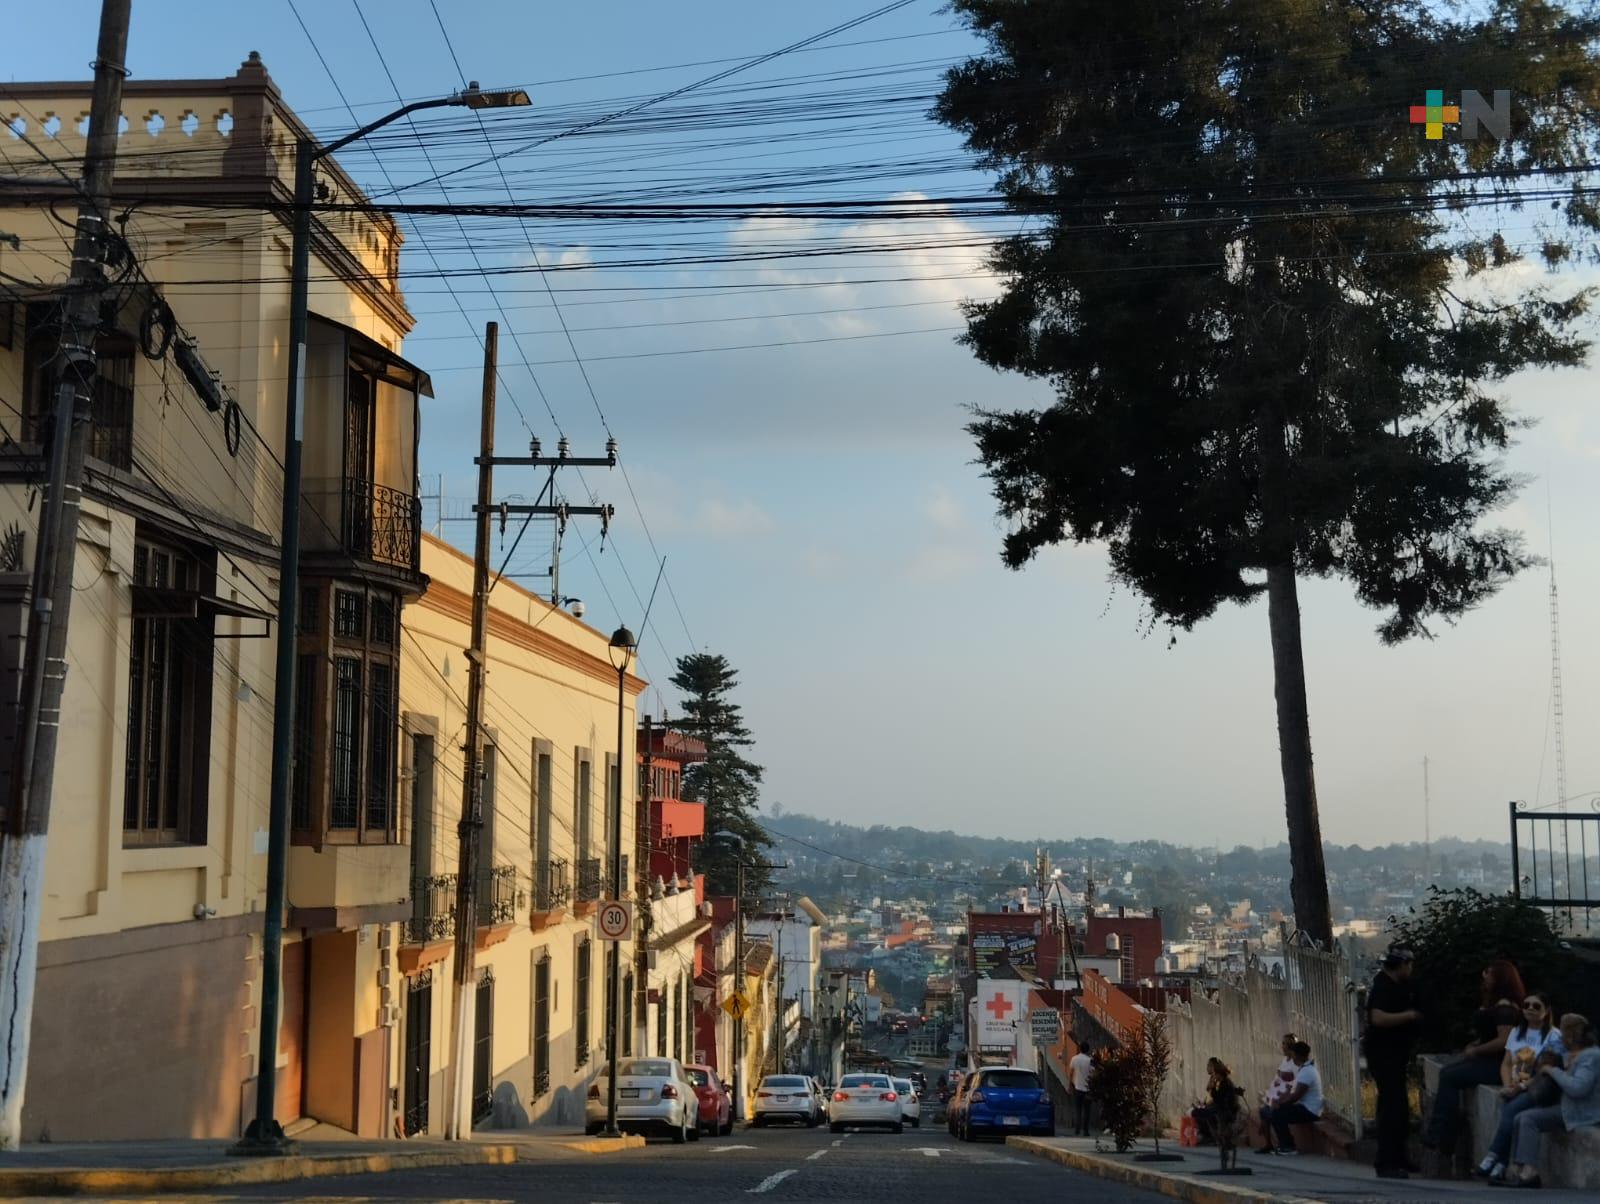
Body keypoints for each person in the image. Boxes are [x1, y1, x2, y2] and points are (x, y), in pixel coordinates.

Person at [1422, 959, 1525, 1149]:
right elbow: (1489, 1034)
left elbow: (1503, 1040)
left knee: (1450, 1076)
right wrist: (1475, 1045)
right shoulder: (1496, 1004)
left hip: (1498, 1064)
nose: (1484, 977)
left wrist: (1477, 1050)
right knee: (1449, 1071)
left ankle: (1442, 1133)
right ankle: (1440, 1132)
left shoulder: (1505, 1008)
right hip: (1487, 1059)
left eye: (1489, 973)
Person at [1499, 1012, 1600, 1189]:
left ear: (1570, 1035)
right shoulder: (1577, 1054)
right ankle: (1517, 1167)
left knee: (1528, 1119)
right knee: (1519, 1117)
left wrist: (1552, 1071)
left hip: (1581, 1111)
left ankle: (1529, 1172)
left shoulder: (1591, 1057)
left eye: (1563, 1033)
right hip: (1569, 1107)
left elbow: (1578, 1089)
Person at [1472, 990, 1565, 1180]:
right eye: (1526, 1005)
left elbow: (1545, 1072)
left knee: (1510, 1110)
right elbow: (1506, 1062)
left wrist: (1519, 1088)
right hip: (1515, 1087)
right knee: (1512, 1111)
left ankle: (1493, 1156)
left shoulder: (1554, 1037)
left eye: (1536, 1006)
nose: (1530, 1009)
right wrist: (1508, 1086)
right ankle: (1501, 1165)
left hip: (1538, 1089)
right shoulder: (1516, 1031)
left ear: (1546, 1011)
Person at [1365, 945, 1423, 1179]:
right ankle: (1386, 1161)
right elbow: (1377, 1017)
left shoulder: (1395, 985)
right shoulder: (1383, 986)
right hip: (1384, 1055)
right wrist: (1409, 1016)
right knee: (1391, 1107)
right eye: (1409, 965)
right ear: (1402, 965)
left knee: (1399, 1107)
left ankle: (1399, 1157)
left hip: (1395, 1054)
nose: (1411, 970)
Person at [1265, 1041, 1323, 1155]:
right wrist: (1278, 1101)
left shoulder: (1307, 1071)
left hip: (1310, 1111)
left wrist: (1279, 1104)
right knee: (1274, 1111)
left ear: (1298, 1055)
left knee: (1278, 1113)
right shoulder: (1305, 1069)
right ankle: (1282, 1144)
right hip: (1305, 1107)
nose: (1292, 1059)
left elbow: (1295, 1096)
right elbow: (1292, 1093)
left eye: (1293, 1055)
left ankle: (1288, 1146)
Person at [1257, 1032, 1298, 1152]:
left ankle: (1286, 1144)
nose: (1282, 1046)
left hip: (1287, 1098)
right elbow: (1277, 1079)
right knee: (1263, 1111)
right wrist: (1269, 1095)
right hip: (1277, 1096)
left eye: (1284, 1043)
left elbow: (1294, 1085)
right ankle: (1268, 1144)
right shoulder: (1285, 1060)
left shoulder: (1295, 1062)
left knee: (1274, 1112)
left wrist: (1280, 1099)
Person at [1069, 1044, 1094, 1136]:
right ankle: (1086, 1130)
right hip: (1087, 1088)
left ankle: (1077, 1129)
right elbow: (1093, 1073)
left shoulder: (1074, 1059)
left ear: (1080, 1049)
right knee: (1087, 1110)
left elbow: (1071, 1073)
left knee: (1078, 1110)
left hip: (1077, 1087)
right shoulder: (1090, 1060)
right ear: (1087, 1050)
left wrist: (1069, 1085)